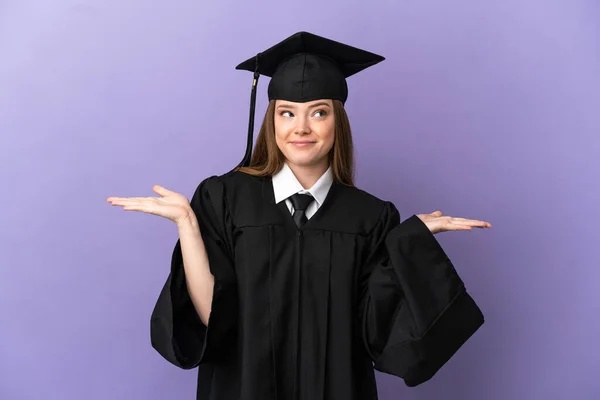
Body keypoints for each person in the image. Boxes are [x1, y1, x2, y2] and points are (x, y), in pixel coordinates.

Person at [107, 31, 491, 400]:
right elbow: (212, 319)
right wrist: (188, 226)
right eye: (287, 113)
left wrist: (409, 243)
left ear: (337, 121)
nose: (301, 128)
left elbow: (378, 333)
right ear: (272, 120)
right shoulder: (224, 197)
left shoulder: (372, 218)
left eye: (318, 113)